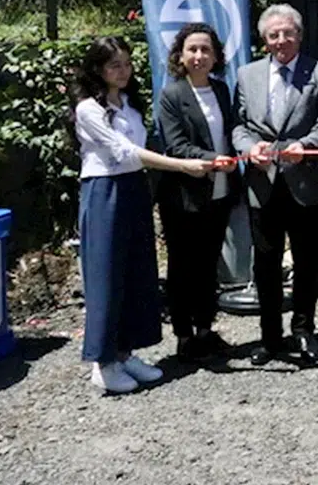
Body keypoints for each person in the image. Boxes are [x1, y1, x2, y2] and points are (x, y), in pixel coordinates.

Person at [74, 37, 213, 393]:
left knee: (136, 272)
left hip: (134, 189)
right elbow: (124, 152)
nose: (123, 71)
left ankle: (125, 353)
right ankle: (103, 362)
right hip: (105, 191)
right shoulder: (89, 109)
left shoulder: (130, 104)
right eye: (114, 65)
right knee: (106, 276)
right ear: (97, 70)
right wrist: (182, 165)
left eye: (126, 63)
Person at [232, 4, 318, 368]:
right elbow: (238, 125)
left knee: (307, 262)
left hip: (305, 180)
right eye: (273, 35)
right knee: (266, 263)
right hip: (263, 182)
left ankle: (304, 330)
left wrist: (305, 145)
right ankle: (270, 337)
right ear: (264, 39)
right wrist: (249, 148)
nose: (281, 40)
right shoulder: (246, 75)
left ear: (299, 35)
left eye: (288, 33)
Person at [156, 22, 243, 362]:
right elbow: (176, 145)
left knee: (209, 265)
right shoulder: (172, 95)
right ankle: (184, 335)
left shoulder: (222, 90)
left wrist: (232, 159)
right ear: (180, 56)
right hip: (184, 196)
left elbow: (231, 133)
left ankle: (206, 329)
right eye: (192, 49)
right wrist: (212, 159)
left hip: (219, 192)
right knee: (182, 267)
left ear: (216, 56)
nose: (199, 56)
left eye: (206, 49)